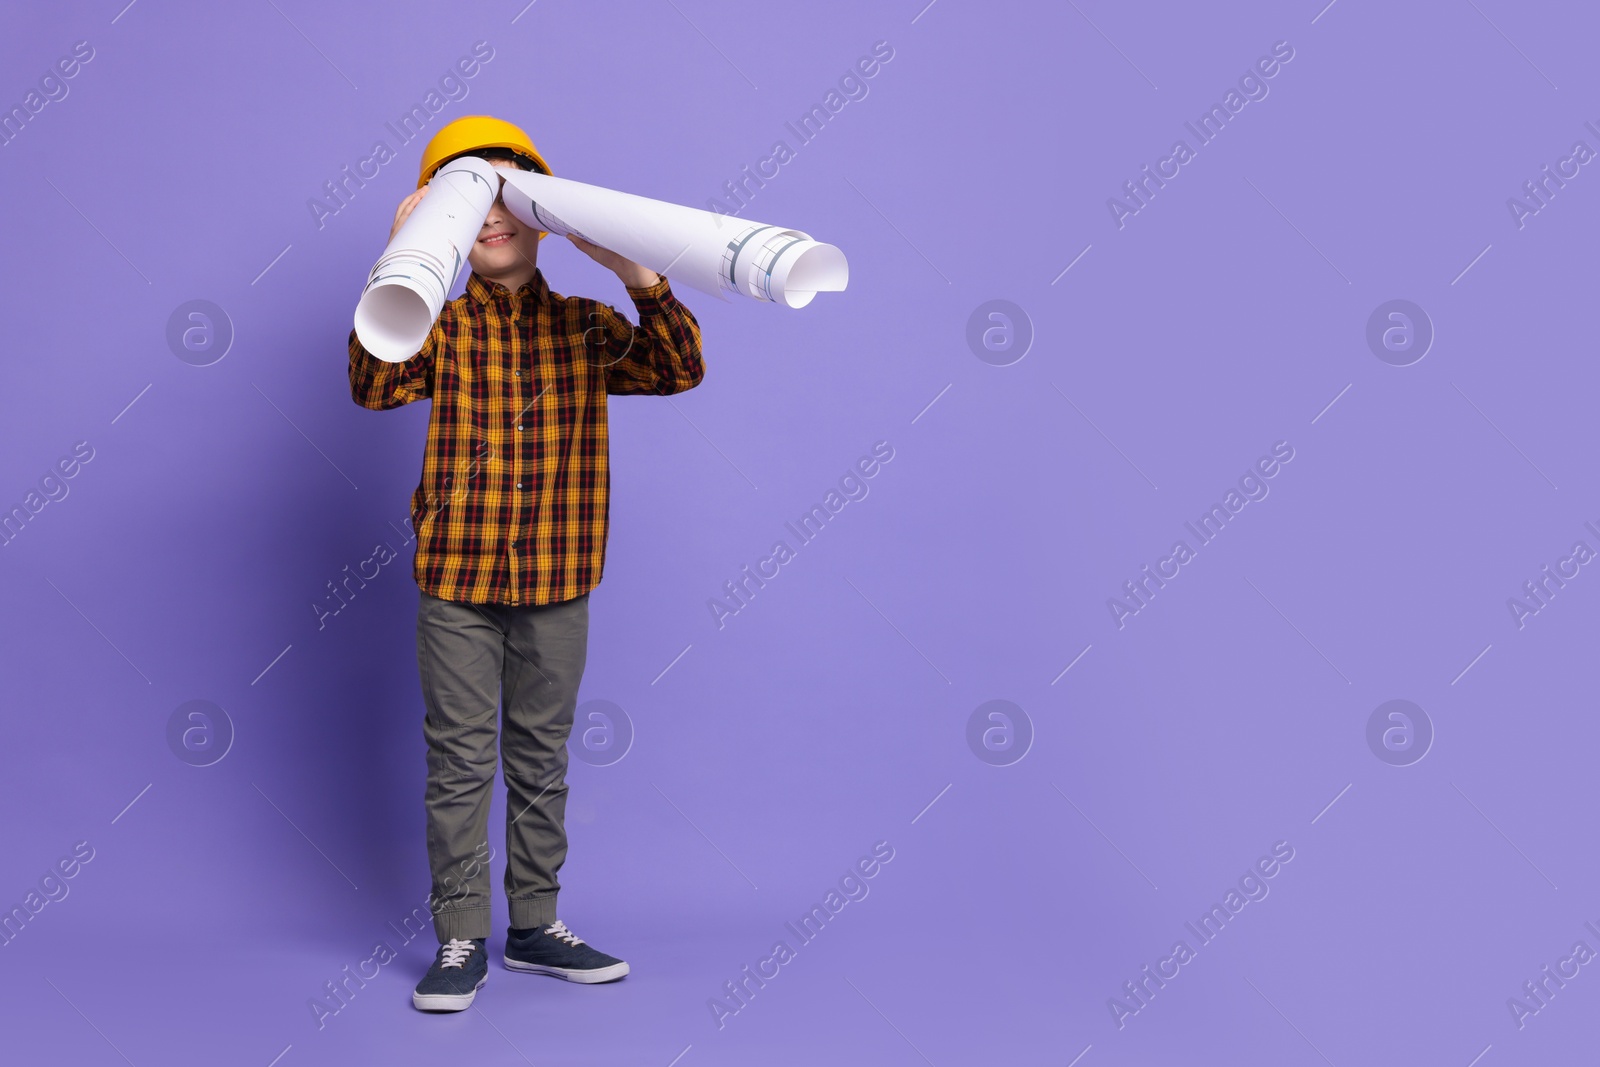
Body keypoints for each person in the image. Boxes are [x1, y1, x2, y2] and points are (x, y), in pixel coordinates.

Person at [346, 115, 705, 1012]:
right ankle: (462, 932)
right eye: (465, 198)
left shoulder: (587, 327)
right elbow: (372, 382)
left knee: (541, 755)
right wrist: (399, 259)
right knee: (460, 758)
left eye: (507, 195)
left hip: (558, 578)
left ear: (539, 217)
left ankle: (537, 925)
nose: (490, 215)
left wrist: (635, 269)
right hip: (457, 583)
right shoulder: (444, 327)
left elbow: (680, 367)